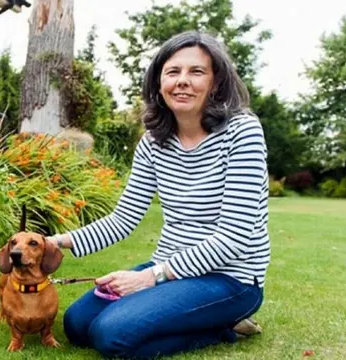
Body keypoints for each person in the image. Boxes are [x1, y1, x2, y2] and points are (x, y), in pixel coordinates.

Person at [47, 30, 270, 359]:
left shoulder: (242, 132)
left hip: (231, 278)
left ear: (217, 82)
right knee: (78, 325)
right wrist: (58, 241)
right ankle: (197, 318)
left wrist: (150, 278)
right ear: (158, 82)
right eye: (173, 72)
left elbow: (233, 237)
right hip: (169, 267)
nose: (183, 81)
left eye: (196, 72)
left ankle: (223, 326)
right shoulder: (154, 142)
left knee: (112, 334)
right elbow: (124, 218)